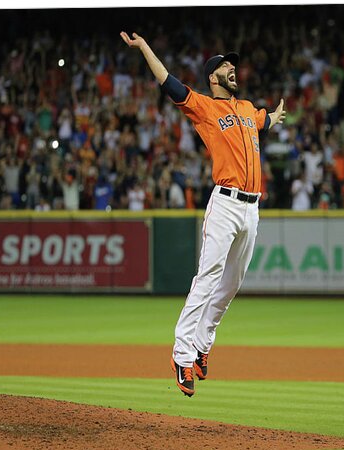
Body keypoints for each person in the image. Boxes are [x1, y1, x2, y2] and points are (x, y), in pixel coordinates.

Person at [121, 31, 286, 397]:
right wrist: (146, 48)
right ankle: (181, 354)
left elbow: (264, 123)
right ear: (214, 77)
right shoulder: (205, 108)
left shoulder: (247, 110)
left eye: (233, 66)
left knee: (231, 285)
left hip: (252, 209)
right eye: (227, 66)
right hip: (226, 204)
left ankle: (201, 347)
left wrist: (273, 117)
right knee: (208, 276)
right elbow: (168, 82)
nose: (233, 69)